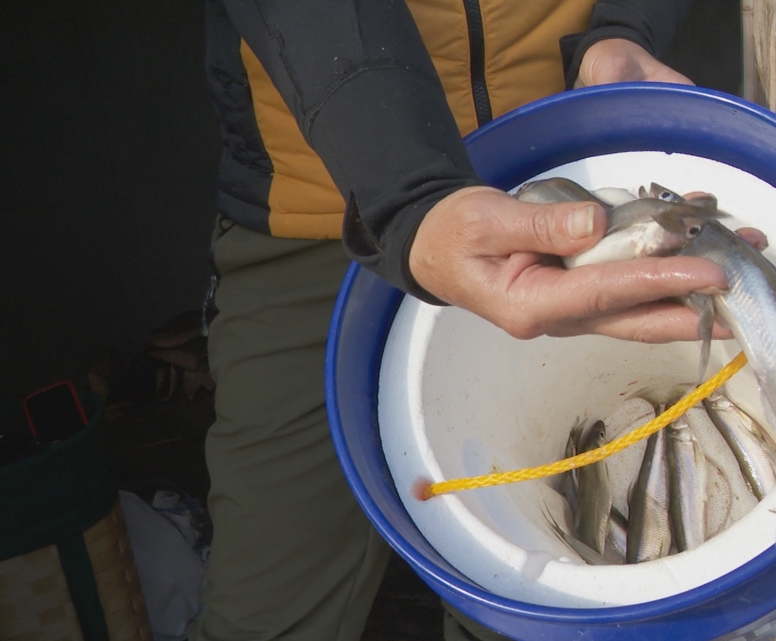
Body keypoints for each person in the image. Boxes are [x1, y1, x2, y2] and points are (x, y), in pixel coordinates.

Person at [194, 1, 734, 639]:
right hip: (320, 208)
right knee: (269, 601)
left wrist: (619, 31)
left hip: (563, 182)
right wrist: (410, 192)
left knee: (546, 598)